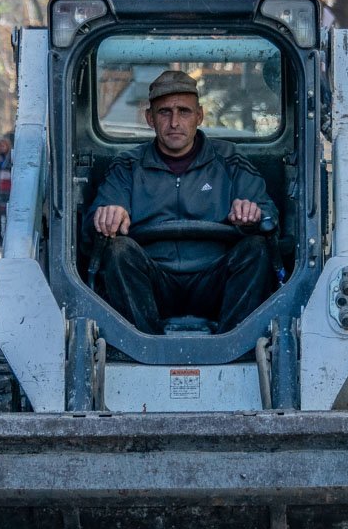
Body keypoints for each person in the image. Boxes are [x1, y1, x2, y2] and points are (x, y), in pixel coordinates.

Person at [89, 69, 278, 334]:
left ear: (199, 116)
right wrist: (108, 214)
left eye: (184, 111)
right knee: (118, 250)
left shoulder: (231, 161)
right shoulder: (127, 167)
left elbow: (269, 215)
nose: (174, 122)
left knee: (256, 248)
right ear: (149, 118)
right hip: (152, 282)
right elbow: (95, 220)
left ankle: (235, 344)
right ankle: (142, 345)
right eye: (164, 112)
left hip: (216, 281)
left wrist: (253, 214)